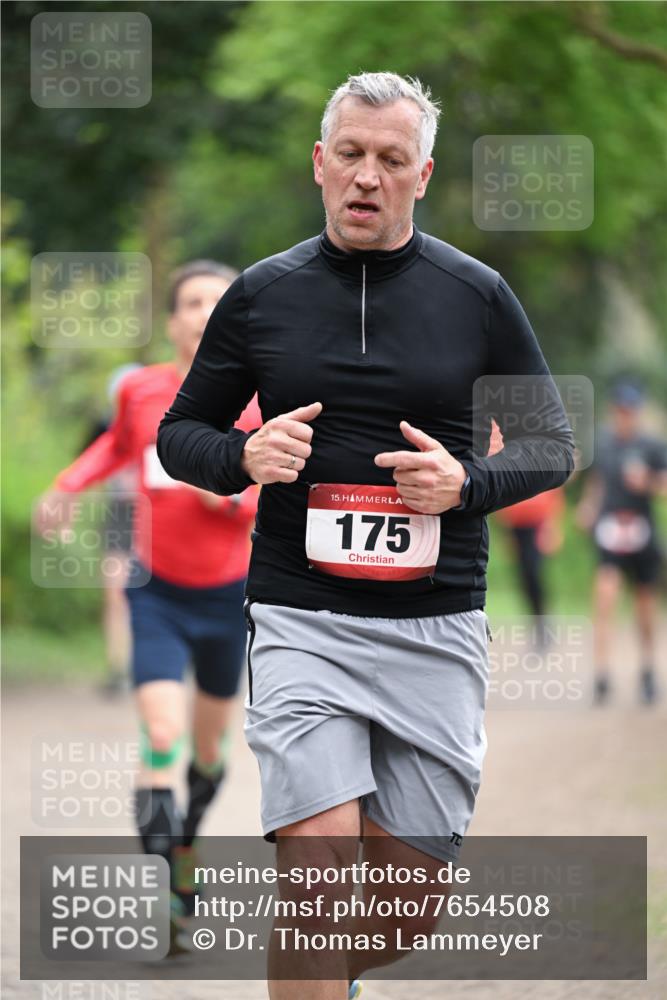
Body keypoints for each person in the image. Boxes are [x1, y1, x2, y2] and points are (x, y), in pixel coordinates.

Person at [157, 73, 574, 999]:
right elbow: (179, 436)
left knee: (395, 908)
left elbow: (550, 445)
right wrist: (244, 455)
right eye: (350, 154)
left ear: (420, 176)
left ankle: (338, 975)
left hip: (434, 623)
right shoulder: (263, 295)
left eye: (390, 161)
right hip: (301, 613)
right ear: (319, 163)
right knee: (315, 867)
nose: (366, 177)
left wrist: (465, 483)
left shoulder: (476, 295)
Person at [35, 260, 260, 921]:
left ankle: (184, 843)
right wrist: (66, 487)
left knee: (210, 750)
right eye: (192, 301)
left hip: (227, 594)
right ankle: (169, 887)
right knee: (162, 732)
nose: (203, 312)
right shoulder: (140, 391)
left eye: (217, 302)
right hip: (156, 591)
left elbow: (266, 494)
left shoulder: (256, 402)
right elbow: (114, 447)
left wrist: (218, 495)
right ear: (172, 321)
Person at [576, 380, 666, 705]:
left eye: (631, 410)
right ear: (615, 410)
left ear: (637, 411)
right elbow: (598, 482)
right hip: (610, 533)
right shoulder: (604, 443)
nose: (625, 415)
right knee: (605, 597)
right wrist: (588, 507)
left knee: (644, 609)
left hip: (642, 534)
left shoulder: (653, 446)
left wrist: (649, 482)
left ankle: (647, 671)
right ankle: (601, 675)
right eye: (621, 409)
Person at [81, 363, 143, 695]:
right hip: (118, 515)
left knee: (155, 593)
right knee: (115, 593)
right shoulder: (103, 428)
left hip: (156, 519)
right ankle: (118, 668)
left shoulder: (164, 424)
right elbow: (84, 469)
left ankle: (149, 663)